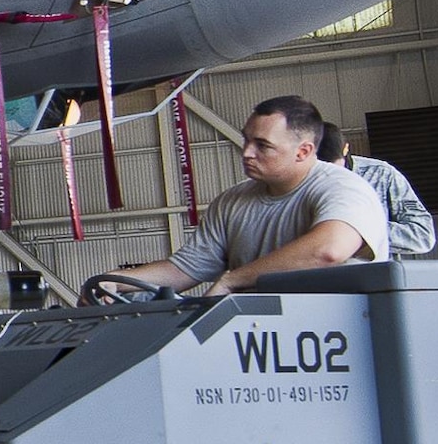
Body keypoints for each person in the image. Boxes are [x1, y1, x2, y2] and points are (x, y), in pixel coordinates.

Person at [123, 95, 388, 296]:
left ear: (303, 151)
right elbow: (185, 269)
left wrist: (233, 279)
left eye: (263, 145)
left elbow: (328, 250)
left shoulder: (344, 189)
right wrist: (118, 280)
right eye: (247, 140)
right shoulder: (231, 202)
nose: (247, 152)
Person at [319, 121, 436, 255]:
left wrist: (357, 232)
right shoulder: (296, 179)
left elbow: (422, 236)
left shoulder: (382, 174)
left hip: (373, 272)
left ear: (346, 149)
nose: (331, 175)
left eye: (335, 169)